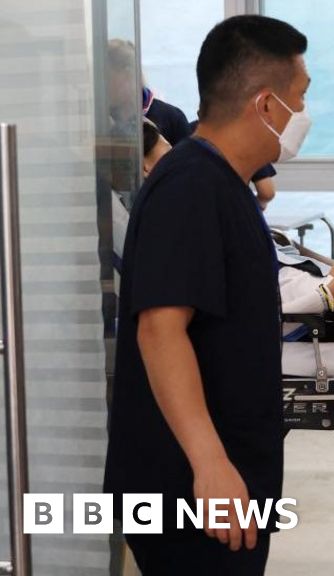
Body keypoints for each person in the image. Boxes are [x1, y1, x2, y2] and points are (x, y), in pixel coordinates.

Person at [104, 15, 311, 575]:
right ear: (266, 106)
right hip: (189, 488)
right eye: (301, 97)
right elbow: (159, 329)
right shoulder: (190, 186)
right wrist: (211, 462)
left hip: (224, 478)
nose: (305, 116)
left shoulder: (226, 184)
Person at [108, 39, 191, 145]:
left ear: (127, 75)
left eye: (107, 77)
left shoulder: (172, 119)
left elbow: (189, 160)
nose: (100, 86)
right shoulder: (99, 121)